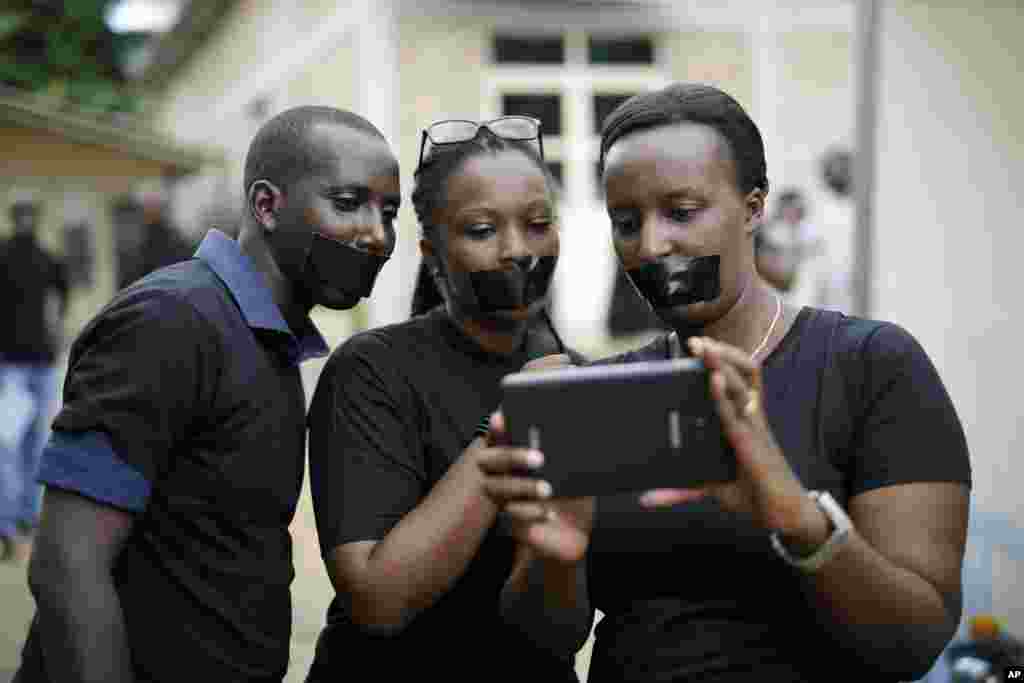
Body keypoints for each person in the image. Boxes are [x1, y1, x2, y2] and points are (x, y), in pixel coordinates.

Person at [488, 83, 972, 682]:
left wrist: (793, 516)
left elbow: (915, 639)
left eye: (681, 212)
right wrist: (553, 557)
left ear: (753, 206)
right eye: (626, 221)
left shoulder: (872, 366)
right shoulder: (595, 399)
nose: (651, 245)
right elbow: (539, 646)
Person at [14, 105, 401, 683]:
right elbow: (67, 567)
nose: (376, 233)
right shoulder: (170, 321)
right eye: (348, 203)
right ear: (267, 205)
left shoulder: (267, 338)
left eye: (389, 213)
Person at [305, 116, 589, 682]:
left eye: (538, 224)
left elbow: (560, 629)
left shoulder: (581, 383)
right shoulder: (371, 370)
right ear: (431, 253)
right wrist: (514, 421)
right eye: (482, 230)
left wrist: (557, 557)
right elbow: (379, 603)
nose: (518, 250)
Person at [0, 198, 69, 561]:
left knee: (32, 442)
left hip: (39, 364)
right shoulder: (6, 255)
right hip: (14, 366)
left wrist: (56, 337)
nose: (26, 220)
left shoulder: (47, 259)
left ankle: (24, 518)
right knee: (11, 444)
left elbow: (60, 303)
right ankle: (9, 522)